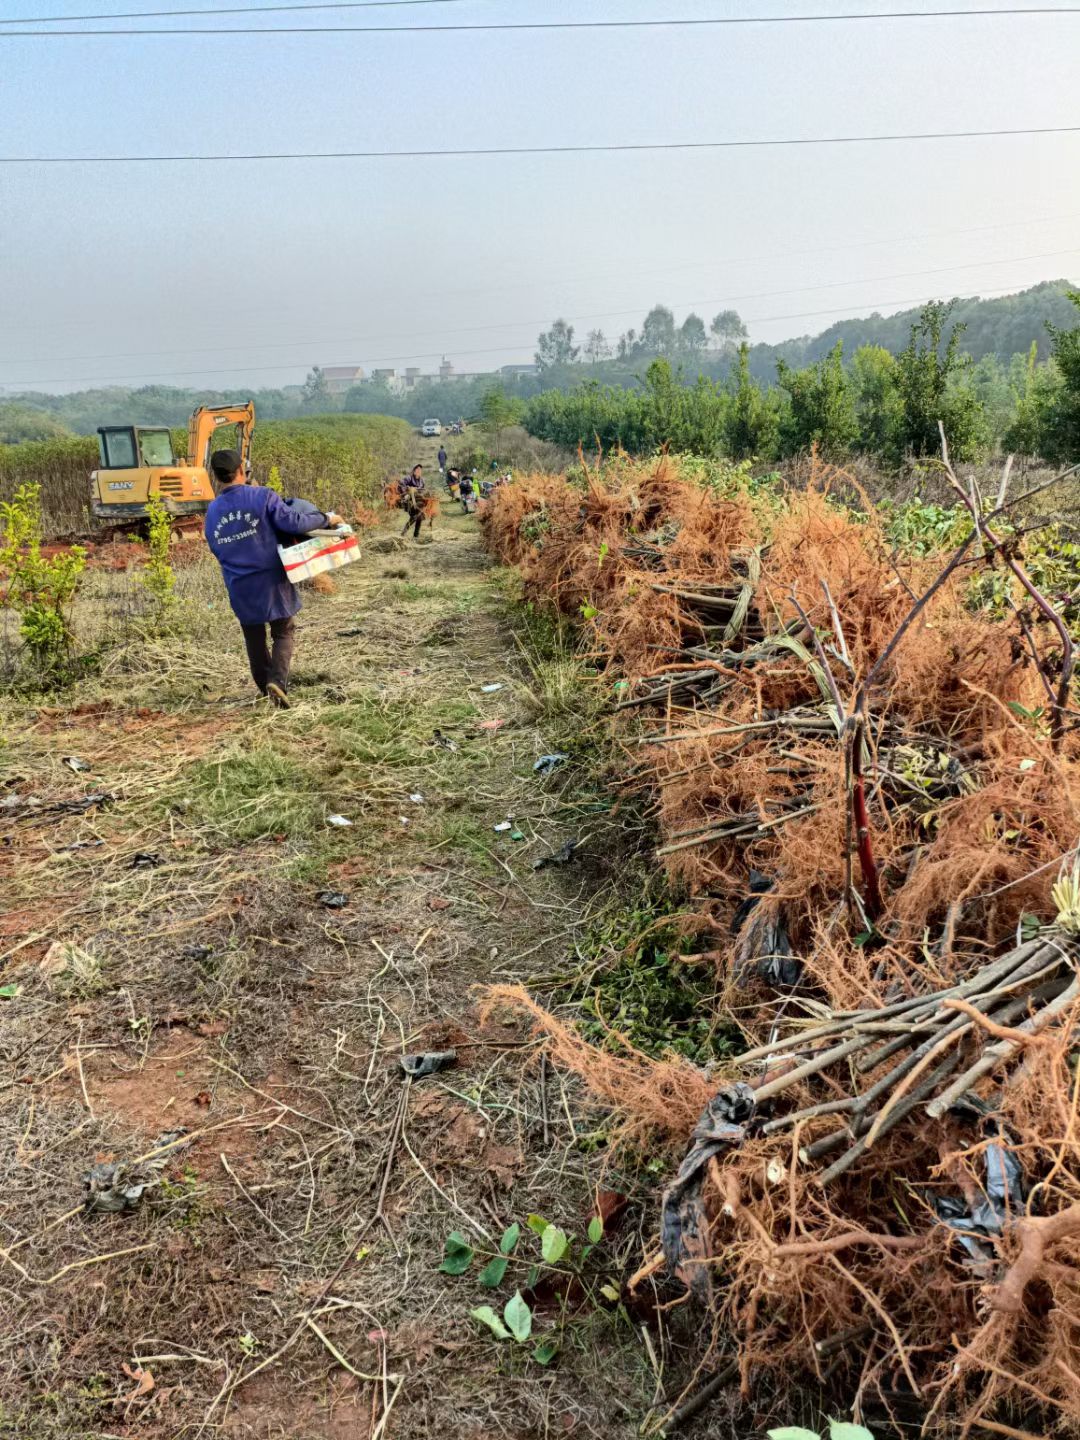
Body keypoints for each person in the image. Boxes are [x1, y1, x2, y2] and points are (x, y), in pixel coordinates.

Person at [204, 449, 341, 708]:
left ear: (217, 476)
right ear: (242, 471)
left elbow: (215, 545)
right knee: (283, 630)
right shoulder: (262, 495)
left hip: (239, 584)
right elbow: (293, 522)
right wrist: (326, 518)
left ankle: (266, 691)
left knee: (253, 637)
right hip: (271, 579)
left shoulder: (211, 511)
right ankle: (277, 682)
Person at [400, 463, 426, 539]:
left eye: (420, 470)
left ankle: (415, 536)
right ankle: (403, 533)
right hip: (410, 501)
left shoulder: (422, 481)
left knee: (419, 517)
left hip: (419, 502)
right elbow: (402, 484)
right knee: (415, 517)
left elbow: (423, 490)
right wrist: (406, 491)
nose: (419, 471)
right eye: (417, 470)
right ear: (414, 471)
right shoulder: (409, 478)